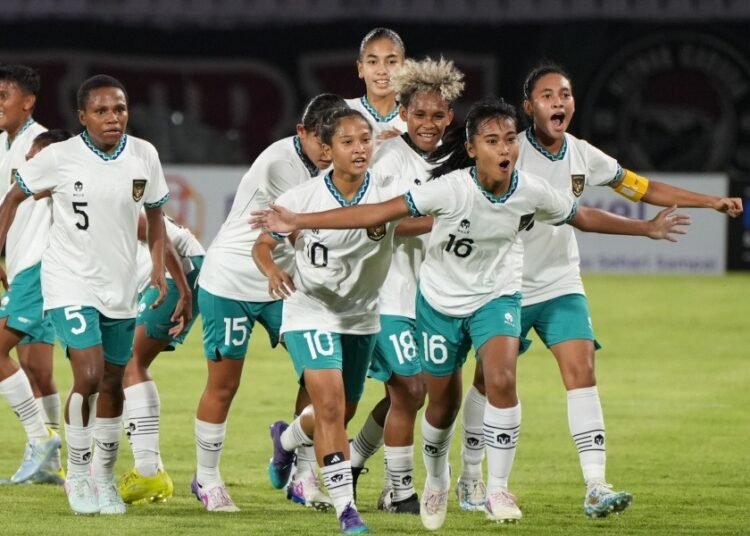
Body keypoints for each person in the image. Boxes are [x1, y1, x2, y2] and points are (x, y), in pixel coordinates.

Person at [251, 98, 689, 529]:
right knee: (430, 406)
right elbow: (378, 214)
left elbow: (582, 215)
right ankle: (430, 477)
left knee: (496, 380)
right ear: (473, 146)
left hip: (493, 298)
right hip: (423, 305)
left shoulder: (529, 189)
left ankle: (492, 488)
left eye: (511, 140)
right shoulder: (447, 189)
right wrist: (302, 221)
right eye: (493, 140)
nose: (505, 149)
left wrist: (646, 228)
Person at [456, 63, 744, 519]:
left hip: (560, 282)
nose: (559, 102)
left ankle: (595, 486)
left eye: (565, 94)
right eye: (548, 95)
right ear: (529, 107)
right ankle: (472, 476)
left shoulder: (582, 154)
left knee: (582, 370)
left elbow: (640, 186)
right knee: (490, 382)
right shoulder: (509, 150)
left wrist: (708, 201)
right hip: (503, 284)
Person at [0, 74, 180, 515]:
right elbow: (12, 199)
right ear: (82, 117)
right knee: (89, 373)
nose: (112, 118)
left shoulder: (144, 155)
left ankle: (103, 475)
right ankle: (78, 474)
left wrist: (157, 269)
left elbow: (155, 216)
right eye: (100, 111)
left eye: (119, 109)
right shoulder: (60, 157)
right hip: (69, 282)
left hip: (119, 285)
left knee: (114, 382)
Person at [190, 93, 346, 513]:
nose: (329, 153)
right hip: (235, 280)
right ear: (302, 132)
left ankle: (301, 470)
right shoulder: (281, 164)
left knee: (319, 376)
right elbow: (296, 229)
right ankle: (206, 479)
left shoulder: (332, 161)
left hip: (286, 282)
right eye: (322, 143)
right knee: (224, 384)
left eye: (337, 144)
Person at [255, 107, 406, 535]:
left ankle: (285, 440)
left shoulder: (390, 191)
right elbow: (263, 244)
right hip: (310, 310)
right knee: (330, 406)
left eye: (365, 139)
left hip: (361, 316)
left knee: (342, 411)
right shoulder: (302, 198)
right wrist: (272, 269)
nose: (360, 149)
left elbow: (423, 218)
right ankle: (346, 510)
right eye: (348, 141)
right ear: (328, 149)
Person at [347, 56, 464, 515]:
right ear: (403, 112)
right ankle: (399, 493)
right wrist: (441, 218)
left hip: (436, 297)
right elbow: (379, 221)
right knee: (412, 391)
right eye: (419, 115)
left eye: (438, 115)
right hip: (387, 294)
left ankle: (355, 458)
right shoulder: (387, 159)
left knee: (419, 394)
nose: (429, 124)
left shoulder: (456, 160)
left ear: (450, 117)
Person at [0, 64, 63, 485]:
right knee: (37, 368)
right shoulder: (4, 146)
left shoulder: (43, 146)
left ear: (29, 101)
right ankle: (51, 464)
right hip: (24, 263)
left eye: (4, 95)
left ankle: (41, 439)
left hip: (40, 266)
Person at [117, 212, 203, 504]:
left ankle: (148, 471)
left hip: (177, 272)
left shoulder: (107, 194)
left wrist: (183, 290)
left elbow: (159, 235)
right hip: (172, 272)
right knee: (124, 367)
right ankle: (155, 473)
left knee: (131, 363)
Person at [346, 28, 407, 151]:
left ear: (404, 67)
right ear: (360, 68)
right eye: (373, 62)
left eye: (391, 61)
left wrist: (408, 148)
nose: (382, 71)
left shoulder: (418, 123)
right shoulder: (340, 113)